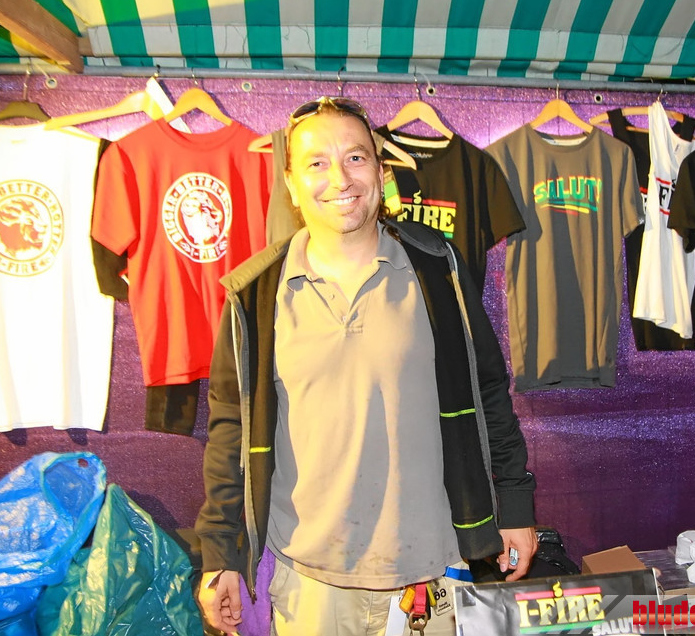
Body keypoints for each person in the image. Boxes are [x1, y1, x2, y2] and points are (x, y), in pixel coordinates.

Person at [195, 96, 537, 635]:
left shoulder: (438, 269)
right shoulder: (255, 294)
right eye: (317, 162)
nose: (340, 178)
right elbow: (230, 430)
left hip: (430, 571)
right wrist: (220, 552)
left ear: (381, 171)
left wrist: (514, 503)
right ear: (291, 185)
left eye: (355, 157)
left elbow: (488, 389)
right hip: (310, 582)